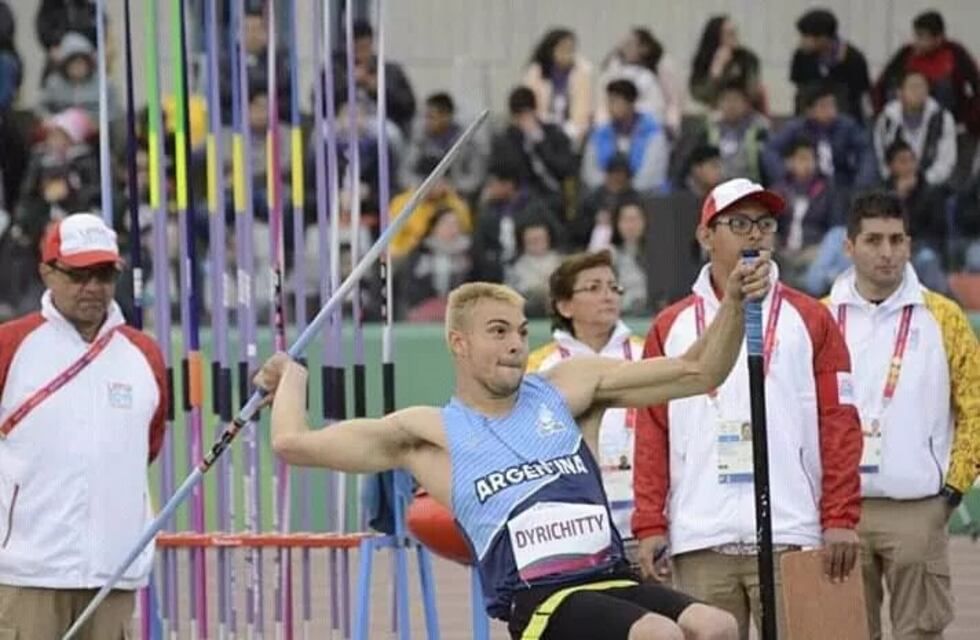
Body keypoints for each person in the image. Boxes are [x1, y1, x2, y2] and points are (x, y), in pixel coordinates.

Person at [255, 262, 779, 639]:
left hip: (611, 578)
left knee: (716, 625)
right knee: (658, 636)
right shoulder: (430, 433)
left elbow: (699, 370)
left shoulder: (566, 389)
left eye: (522, 332)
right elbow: (292, 442)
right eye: (498, 332)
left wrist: (732, 303)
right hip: (543, 603)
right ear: (459, 343)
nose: (515, 345)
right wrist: (292, 376)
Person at [632, 178, 863, 639]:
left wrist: (839, 517)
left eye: (764, 223)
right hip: (700, 536)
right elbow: (652, 432)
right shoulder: (670, 326)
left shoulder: (810, 318)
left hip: (789, 531)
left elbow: (838, 423)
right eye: (738, 223)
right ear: (705, 236)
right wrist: (650, 523)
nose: (754, 234)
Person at [0, 213, 168, 638]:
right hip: (26, 574)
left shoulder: (144, 354)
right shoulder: (10, 346)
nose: (93, 287)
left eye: (105, 273)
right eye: (78, 274)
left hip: (113, 574)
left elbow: (147, 446)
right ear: (47, 271)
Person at [824, 191, 980, 640]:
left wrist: (950, 494)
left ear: (909, 244)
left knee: (919, 633)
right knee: (847, 633)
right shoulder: (820, 319)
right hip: (841, 515)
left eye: (896, 240)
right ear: (849, 247)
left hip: (918, 509)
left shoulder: (945, 318)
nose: (887, 253)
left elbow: (974, 408)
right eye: (873, 240)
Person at [526, 250, 646, 550]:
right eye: (594, 288)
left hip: (643, 527)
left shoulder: (648, 355)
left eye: (613, 287)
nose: (608, 296)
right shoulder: (539, 368)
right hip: (574, 530)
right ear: (565, 306)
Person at [874, 10, 980, 134]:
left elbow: (977, 85)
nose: (916, 42)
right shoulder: (907, 53)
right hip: (906, 123)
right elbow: (881, 84)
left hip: (947, 126)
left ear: (938, 38)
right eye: (915, 35)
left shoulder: (955, 54)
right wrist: (879, 115)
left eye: (922, 37)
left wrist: (970, 122)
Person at [581, 79, 669, 193]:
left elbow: (652, 175)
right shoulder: (599, 134)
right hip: (605, 195)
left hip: (644, 196)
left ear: (630, 103)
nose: (610, 107)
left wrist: (626, 189)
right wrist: (609, 185)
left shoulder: (653, 134)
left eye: (616, 101)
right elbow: (589, 172)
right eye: (609, 101)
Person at [873, 70, 957, 188]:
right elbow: (881, 156)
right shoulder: (887, 118)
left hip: (931, 184)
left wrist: (920, 182)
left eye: (922, 87)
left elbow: (946, 161)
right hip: (894, 183)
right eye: (913, 87)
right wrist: (893, 180)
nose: (918, 91)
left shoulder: (943, 118)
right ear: (900, 93)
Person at [596, 27, 684, 137]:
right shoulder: (615, 67)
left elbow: (672, 102)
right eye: (624, 45)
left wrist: (671, 125)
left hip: (649, 125)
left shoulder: (660, 67)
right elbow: (604, 100)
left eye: (630, 45)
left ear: (644, 48)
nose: (624, 49)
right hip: (616, 124)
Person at [790, 8, 872, 123]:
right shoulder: (801, 56)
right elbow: (800, 93)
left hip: (845, 125)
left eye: (806, 36)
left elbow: (860, 97)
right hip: (808, 123)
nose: (802, 41)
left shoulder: (854, 59)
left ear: (823, 38)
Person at [523, 28, 594, 148]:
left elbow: (584, 110)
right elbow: (529, 106)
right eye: (563, 49)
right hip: (542, 129)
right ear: (551, 50)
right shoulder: (535, 73)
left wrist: (570, 131)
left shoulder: (582, 73)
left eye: (571, 50)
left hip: (572, 132)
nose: (568, 54)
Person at [689, 15, 764, 112]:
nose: (734, 37)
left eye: (735, 32)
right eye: (729, 33)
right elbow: (699, 95)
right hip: (715, 112)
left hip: (744, 113)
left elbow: (752, 91)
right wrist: (715, 73)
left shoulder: (748, 58)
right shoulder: (704, 59)